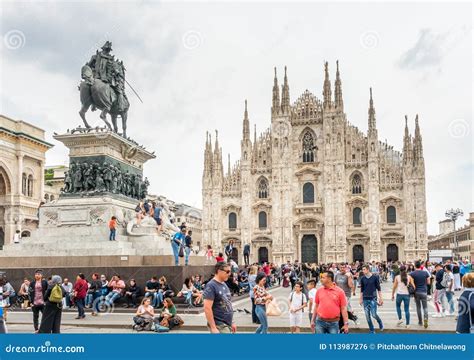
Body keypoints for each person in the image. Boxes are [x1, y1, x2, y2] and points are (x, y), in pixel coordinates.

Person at [203, 262, 236, 333]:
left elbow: (229, 303)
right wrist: (213, 327)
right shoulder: (211, 285)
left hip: (227, 324)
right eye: (227, 271)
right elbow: (207, 308)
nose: (229, 274)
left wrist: (232, 322)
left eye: (230, 271)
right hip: (219, 325)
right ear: (219, 271)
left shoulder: (224, 284)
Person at [360, 264, 384, 333]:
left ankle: (379, 322)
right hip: (365, 299)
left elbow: (379, 289)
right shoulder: (363, 278)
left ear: (368, 269)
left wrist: (381, 298)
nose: (363, 271)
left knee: (374, 314)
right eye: (363, 269)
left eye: (364, 269)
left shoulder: (375, 277)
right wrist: (360, 299)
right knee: (367, 316)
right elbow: (362, 289)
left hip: (373, 298)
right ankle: (372, 329)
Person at [410, 261, 430, 328]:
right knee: (425, 307)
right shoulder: (425, 273)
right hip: (424, 291)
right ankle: (426, 319)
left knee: (418, 307)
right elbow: (428, 282)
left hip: (416, 292)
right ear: (420, 266)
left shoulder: (412, 273)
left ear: (415, 266)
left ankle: (420, 322)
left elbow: (411, 283)